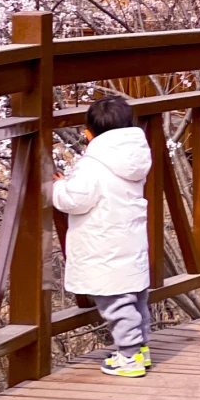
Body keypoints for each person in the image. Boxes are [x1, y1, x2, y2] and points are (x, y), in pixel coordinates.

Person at [53, 95, 153, 378]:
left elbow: (76, 199)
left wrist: (56, 190)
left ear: (88, 133)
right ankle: (140, 349)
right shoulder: (135, 156)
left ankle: (130, 357)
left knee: (116, 304)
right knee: (136, 299)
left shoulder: (94, 163)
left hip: (103, 247)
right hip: (129, 243)